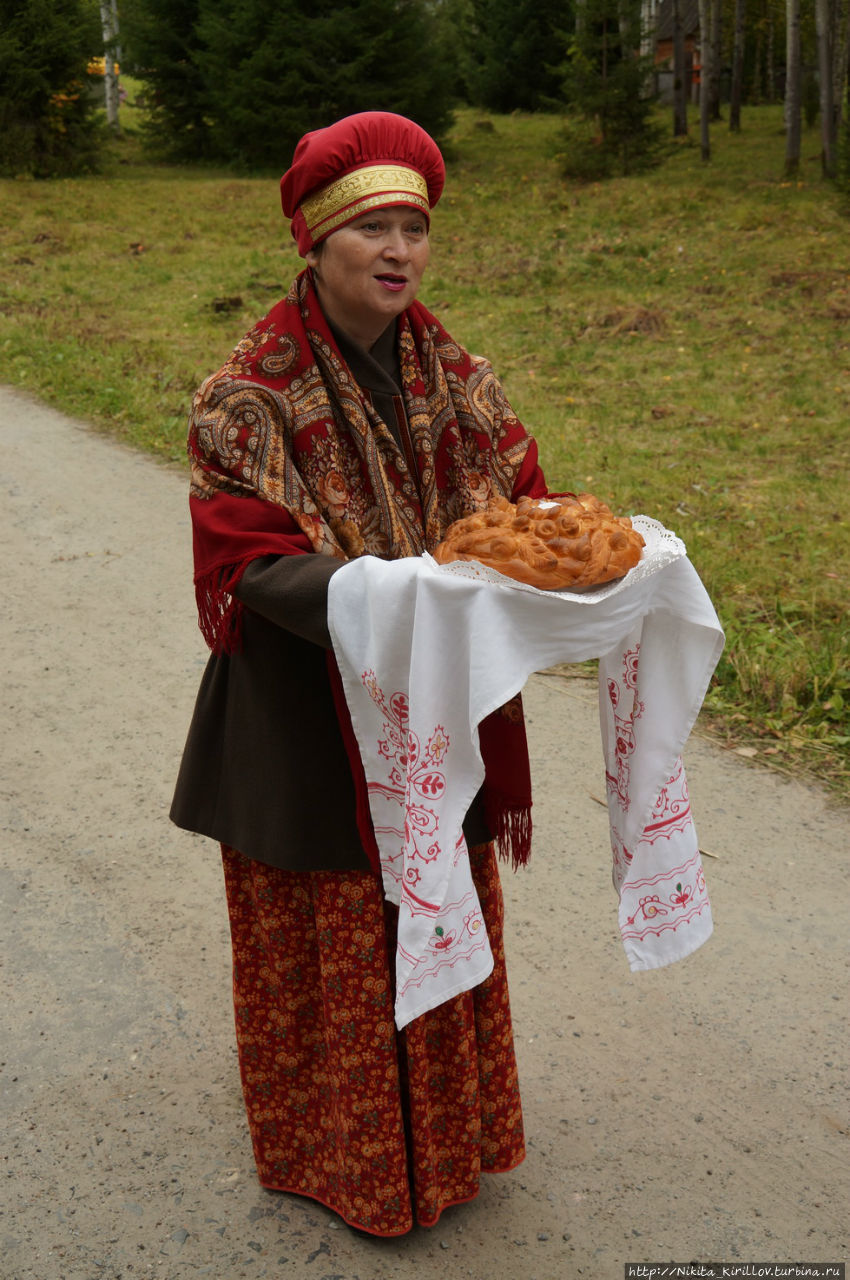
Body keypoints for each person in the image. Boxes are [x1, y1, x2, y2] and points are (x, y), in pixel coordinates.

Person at [170, 111, 551, 1237]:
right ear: (317, 240)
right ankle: (343, 1160)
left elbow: (525, 500)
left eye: (415, 228)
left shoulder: (456, 376)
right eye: (372, 227)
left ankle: (448, 1139)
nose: (398, 251)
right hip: (306, 710)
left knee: (437, 895)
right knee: (341, 924)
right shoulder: (246, 394)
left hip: (434, 699)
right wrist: (384, 594)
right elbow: (246, 563)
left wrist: (579, 555)